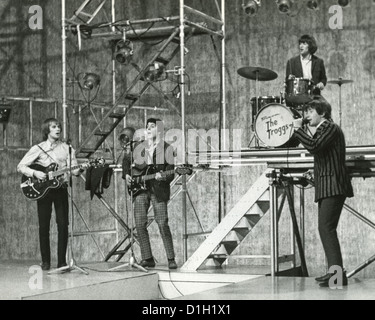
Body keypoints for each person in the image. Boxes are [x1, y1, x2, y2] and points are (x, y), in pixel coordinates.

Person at [293, 97, 353, 288]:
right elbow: (321, 152)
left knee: (326, 228)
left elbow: (314, 147)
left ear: (323, 113)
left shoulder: (331, 128)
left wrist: (298, 129)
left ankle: (337, 275)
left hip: (333, 185)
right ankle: (334, 273)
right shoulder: (322, 130)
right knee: (326, 229)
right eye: (306, 111)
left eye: (310, 111)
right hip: (327, 185)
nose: (307, 115)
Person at [17, 118, 82, 271]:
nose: (57, 129)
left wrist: (79, 170)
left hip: (61, 189)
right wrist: (35, 173)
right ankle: (45, 261)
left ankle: (61, 262)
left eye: (59, 127)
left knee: (63, 225)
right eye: (54, 127)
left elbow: (73, 169)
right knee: (44, 226)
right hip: (43, 191)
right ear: (47, 130)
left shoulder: (67, 148)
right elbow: (21, 166)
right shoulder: (38, 148)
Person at [123, 118, 177, 270]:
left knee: (162, 223)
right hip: (140, 190)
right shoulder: (139, 147)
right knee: (139, 224)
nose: (148, 129)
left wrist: (163, 176)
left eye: (152, 127)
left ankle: (171, 258)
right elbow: (126, 161)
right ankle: (147, 258)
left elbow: (171, 173)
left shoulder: (167, 148)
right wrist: (127, 175)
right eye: (147, 127)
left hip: (158, 191)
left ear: (159, 130)